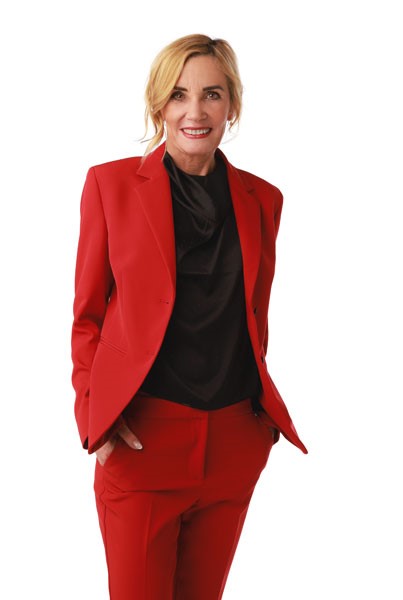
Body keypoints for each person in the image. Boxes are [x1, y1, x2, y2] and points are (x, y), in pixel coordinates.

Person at [71, 33, 307, 600]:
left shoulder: (263, 199)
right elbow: (86, 317)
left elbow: (254, 317)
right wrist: (93, 418)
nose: (195, 111)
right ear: (159, 104)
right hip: (143, 442)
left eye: (212, 94)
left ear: (232, 106)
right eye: (179, 95)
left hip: (233, 443)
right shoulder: (110, 186)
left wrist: (255, 432)